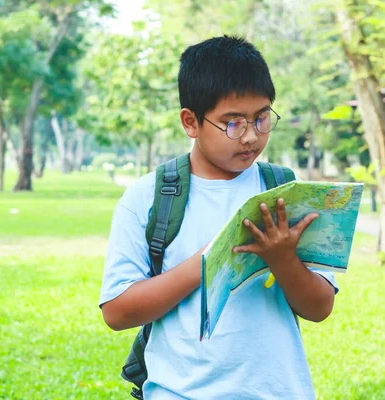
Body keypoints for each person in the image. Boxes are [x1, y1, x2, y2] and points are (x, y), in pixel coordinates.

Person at [99, 35, 338, 399]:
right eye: (232, 123)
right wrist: (210, 259)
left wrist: (283, 259)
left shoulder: (285, 194)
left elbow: (320, 308)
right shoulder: (148, 198)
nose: (250, 137)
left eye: (261, 118)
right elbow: (117, 312)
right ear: (191, 122)